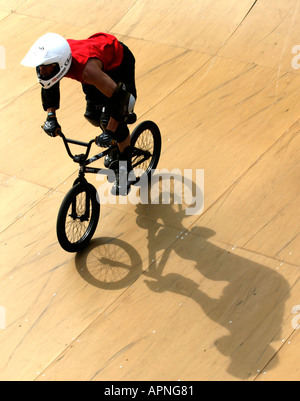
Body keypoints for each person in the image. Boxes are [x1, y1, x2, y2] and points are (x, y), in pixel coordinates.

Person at [21, 32, 137, 196]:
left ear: (60, 64)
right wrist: (51, 117)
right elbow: (49, 86)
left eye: (46, 67)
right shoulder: (55, 60)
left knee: (114, 123)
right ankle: (113, 146)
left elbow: (122, 100)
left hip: (118, 65)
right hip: (94, 65)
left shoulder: (87, 70)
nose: (42, 70)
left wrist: (111, 130)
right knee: (92, 115)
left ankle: (126, 172)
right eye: (40, 66)